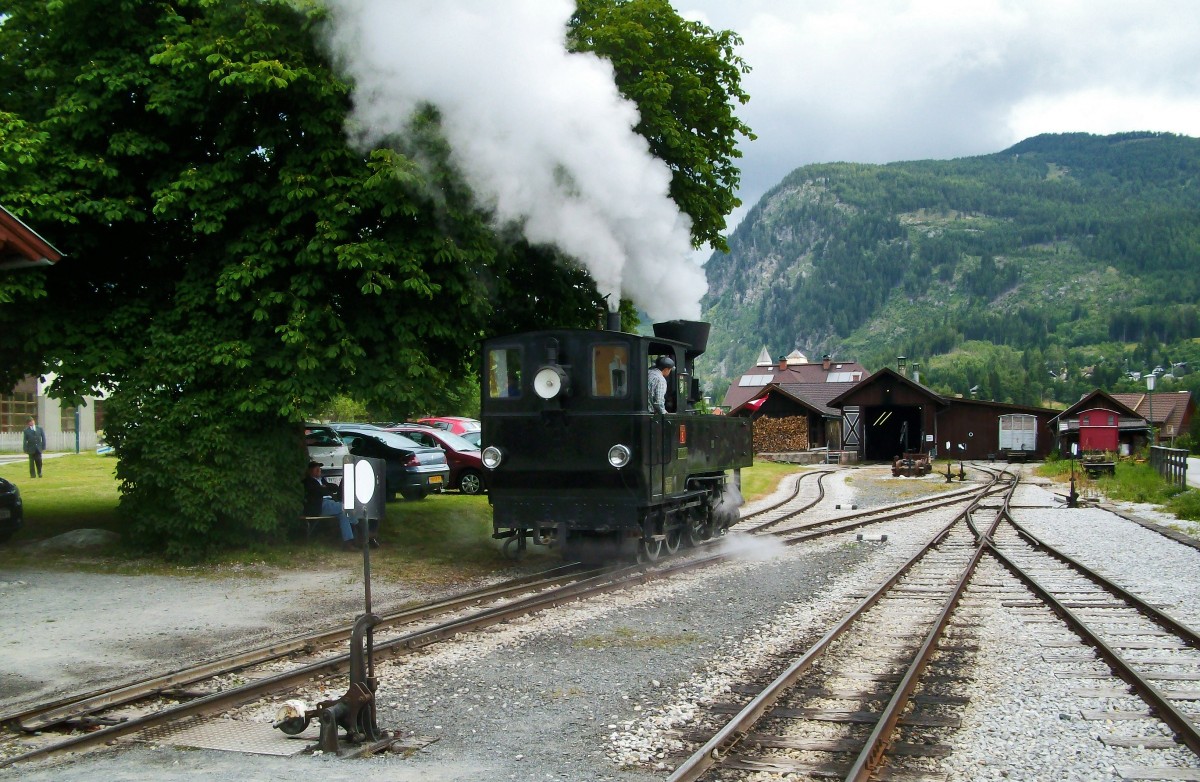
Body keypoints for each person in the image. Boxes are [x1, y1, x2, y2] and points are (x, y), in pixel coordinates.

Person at [303, 461, 365, 550]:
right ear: (310, 471)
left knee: (343, 515)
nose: (319, 470)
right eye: (316, 469)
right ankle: (360, 530)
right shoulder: (308, 481)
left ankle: (348, 543)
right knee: (346, 507)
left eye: (319, 468)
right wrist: (324, 488)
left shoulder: (322, 480)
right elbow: (317, 492)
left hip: (331, 503)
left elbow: (335, 487)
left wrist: (324, 488)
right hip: (320, 505)